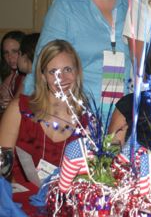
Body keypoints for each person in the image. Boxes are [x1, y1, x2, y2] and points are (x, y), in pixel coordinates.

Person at [22, 0, 132, 119]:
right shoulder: (64, 7)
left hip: (125, 116)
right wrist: (26, 112)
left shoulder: (133, 6)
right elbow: (42, 61)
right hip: (78, 116)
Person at [0, 40, 88, 184]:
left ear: (77, 72)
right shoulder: (19, 110)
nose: (62, 79)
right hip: (16, 201)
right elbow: (2, 170)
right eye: (53, 72)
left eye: (67, 69)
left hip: (62, 203)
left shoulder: (86, 122)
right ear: (43, 76)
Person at [0, 31, 25, 112]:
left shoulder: (29, 75)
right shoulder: (11, 74)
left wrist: (12, 104)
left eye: (15, 51)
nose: (10, 57)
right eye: (6, 53)